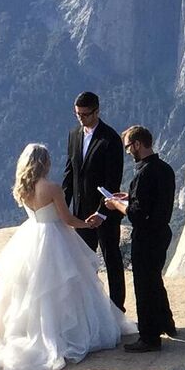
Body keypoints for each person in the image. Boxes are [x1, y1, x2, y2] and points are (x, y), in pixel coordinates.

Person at [0, 143, 130, 370]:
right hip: (54, 238)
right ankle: (64, 333)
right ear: (45, 162)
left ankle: (26, 331)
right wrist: (89, 223)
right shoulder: (52, 188)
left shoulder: (23, 188)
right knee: (63, 287)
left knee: (28, 291)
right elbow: (67, 219)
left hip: (30, 236)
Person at [104, 126, 177, 352]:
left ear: (137, 144)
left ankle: (149, 337)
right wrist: (130, 196)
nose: (127, 152)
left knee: (144, 286)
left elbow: (137, 214)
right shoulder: (164, 169)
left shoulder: (144, 173)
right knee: (155, 280)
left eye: (128, 147)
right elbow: (153, 200)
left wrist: (116, 204)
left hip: (146, 237)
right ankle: (166, 323)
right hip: (162, 232)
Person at [64, 91, 126, 308]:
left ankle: (117, 308)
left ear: (97, 111)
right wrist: (63, 205)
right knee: (84, 262)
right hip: (81, 213)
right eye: (77, 114)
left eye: (85, 114)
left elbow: (112, 180)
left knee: (111, 260)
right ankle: (89, 309)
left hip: (105, 214)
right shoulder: (73, 135)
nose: (81, 118)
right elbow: (70, 174)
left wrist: (102, 213)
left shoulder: (110, 139)